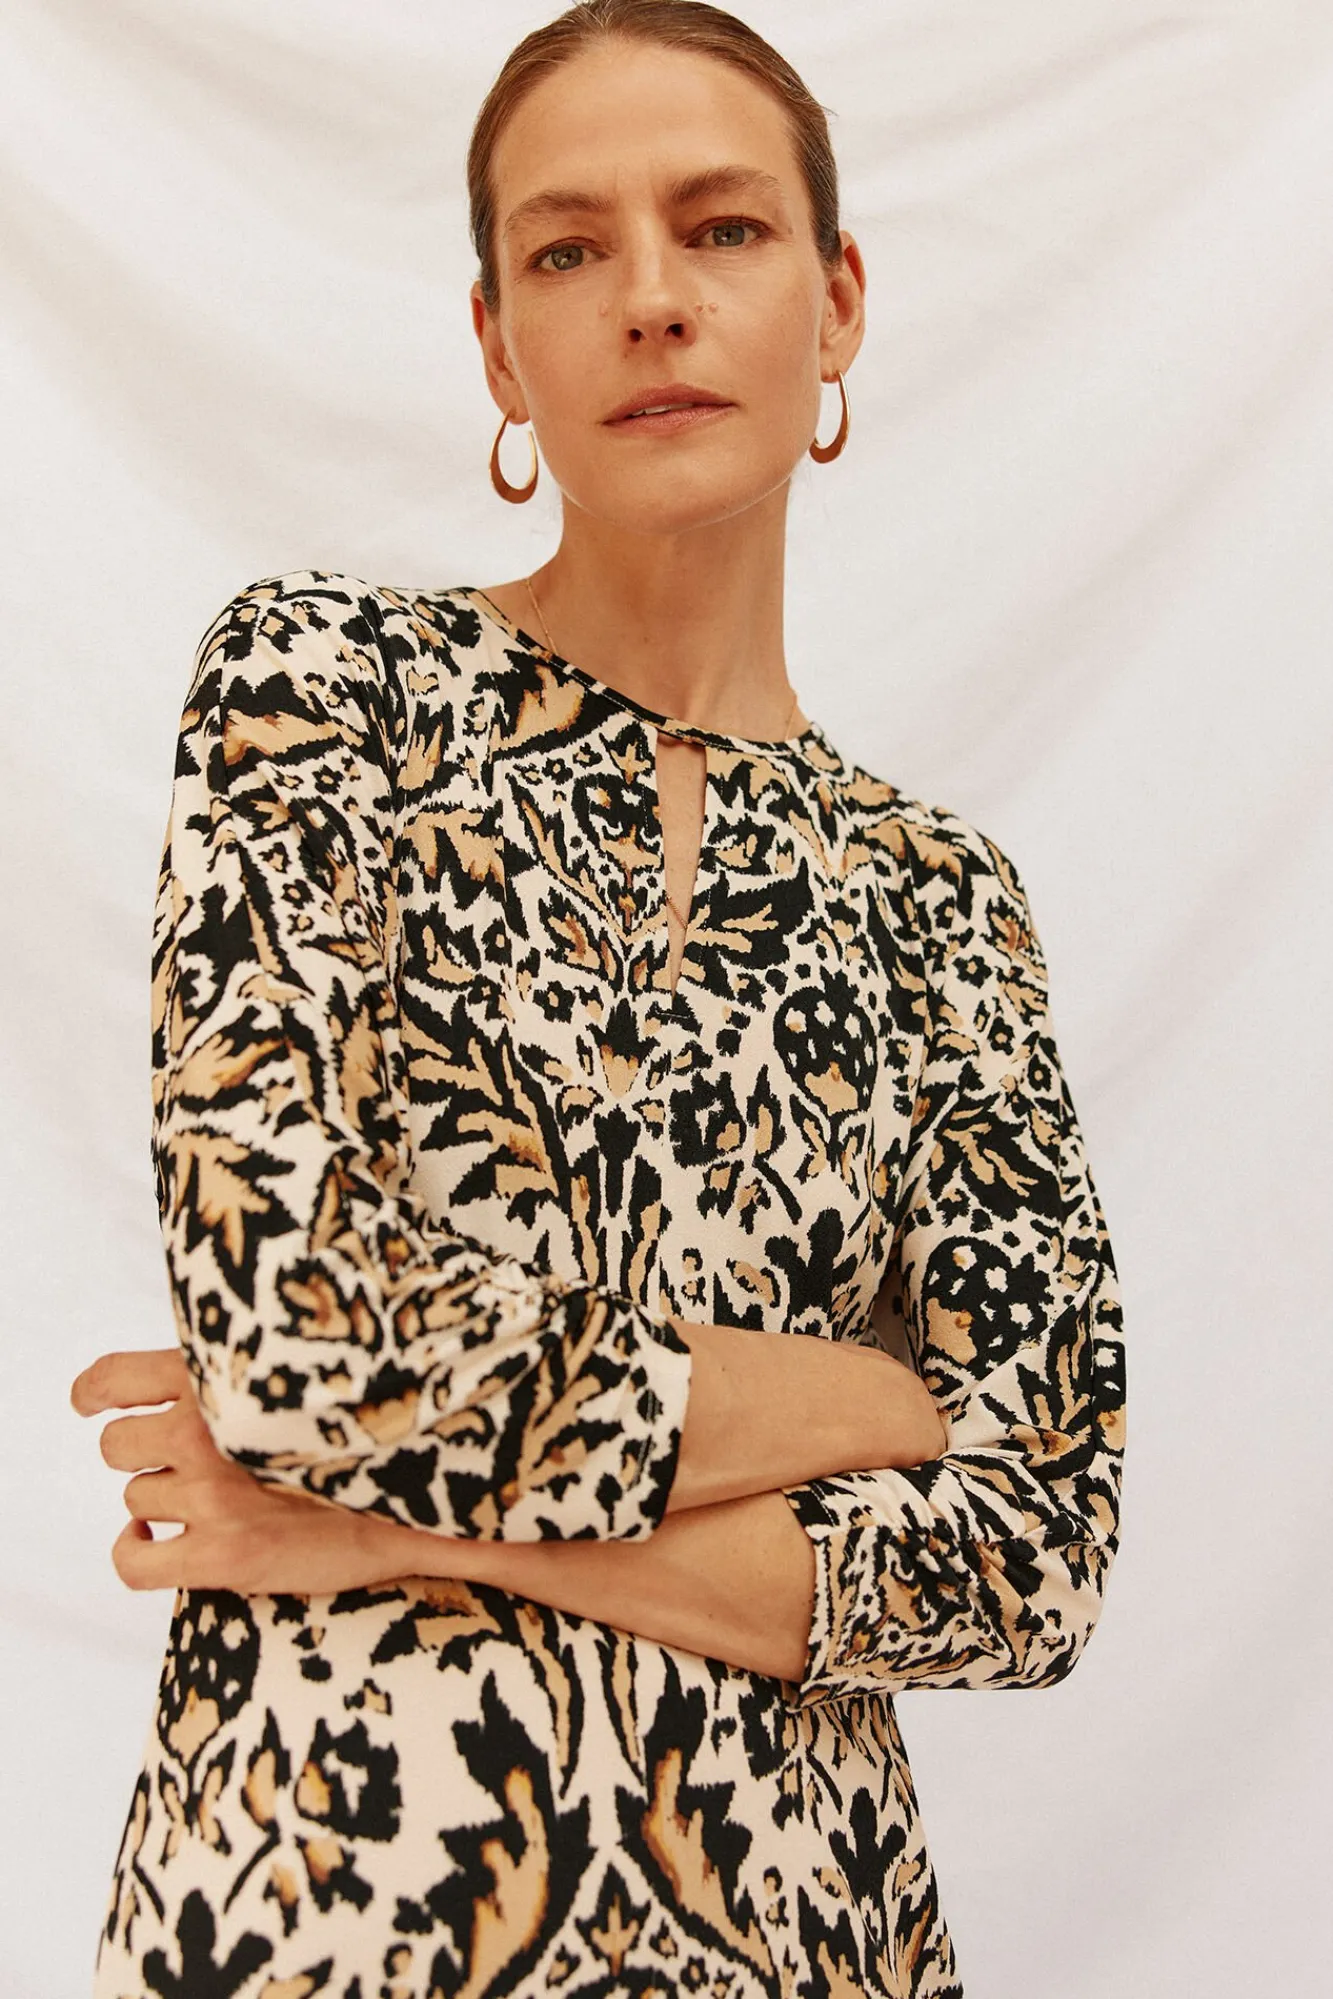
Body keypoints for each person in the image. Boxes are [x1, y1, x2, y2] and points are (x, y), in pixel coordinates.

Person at [70, 4, 1126, 1994]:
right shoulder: (327, 699)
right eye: (568, 249)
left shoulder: (942, 898)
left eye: (721, 228)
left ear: (838, 302)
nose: (652, 297)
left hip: (804, 1934)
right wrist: (883, 1398)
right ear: (499, 348)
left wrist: (379, 1527)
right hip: (332, 1910)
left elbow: (1035, 1554)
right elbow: (304, 1352)